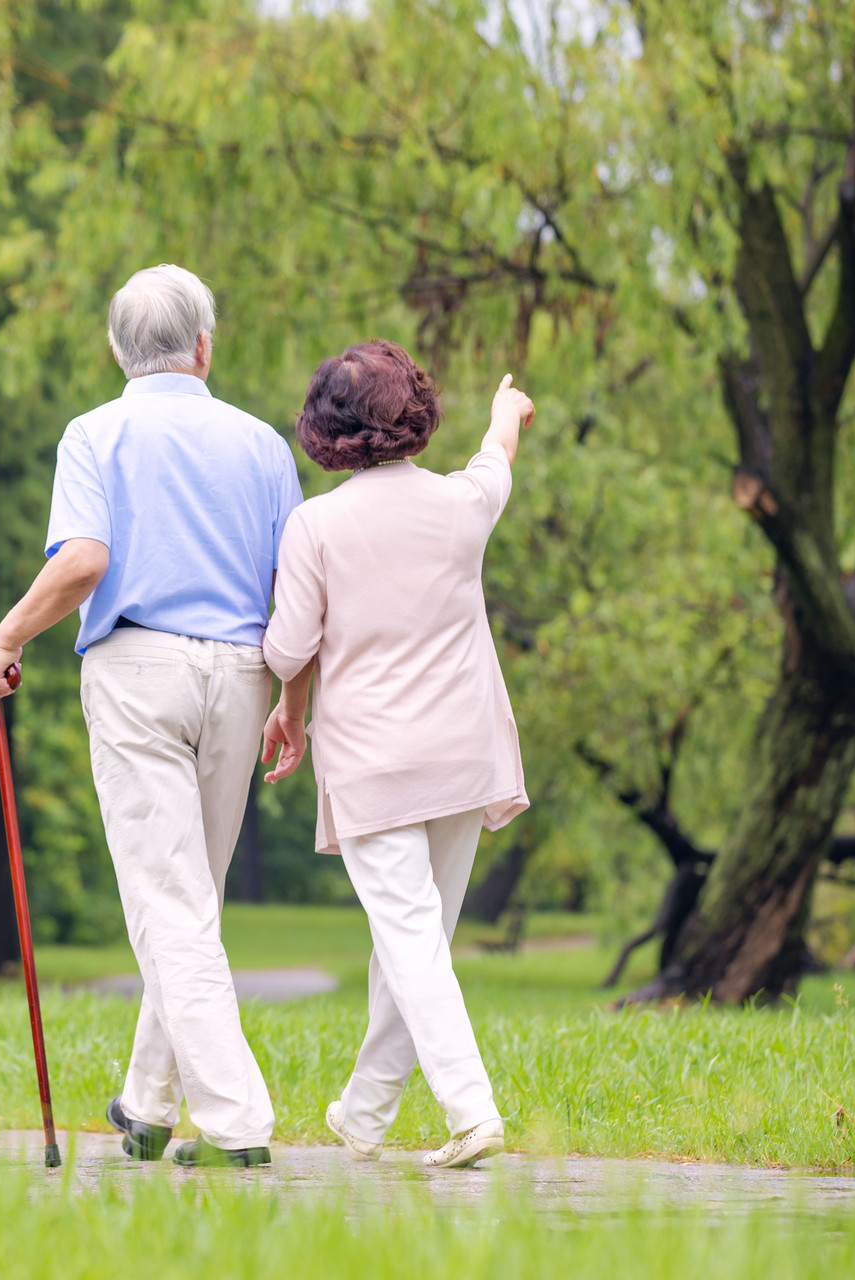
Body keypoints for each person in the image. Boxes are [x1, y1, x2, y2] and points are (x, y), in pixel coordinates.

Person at [0, 264, 303, 1168]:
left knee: (171, 904)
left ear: (118, 351)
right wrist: (292, 700)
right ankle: (149, 1105)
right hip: (241, 675)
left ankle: (236, 1122)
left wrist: (5, 638)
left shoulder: (95, 433)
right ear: (205, 345)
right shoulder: (264, 445)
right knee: (191, 899)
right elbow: (293, 592)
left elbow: (84, 560)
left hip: (138, 668)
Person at [260, 340, 533, 1169]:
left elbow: (286, 648)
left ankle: (471, 1110)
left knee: (410, 940)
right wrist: (503, 412)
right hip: (463, 755)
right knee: (416, 942)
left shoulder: (316, 525)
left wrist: (289, 698)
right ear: (413, 413)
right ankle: (367, 1113)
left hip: (375, 763)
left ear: (325, 427)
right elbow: (497, 459)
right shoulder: (460, 506)